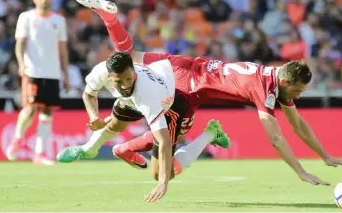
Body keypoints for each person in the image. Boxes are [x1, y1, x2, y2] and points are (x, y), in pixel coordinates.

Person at [69, 0, 342, 186]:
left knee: (128, 57)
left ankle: (110, 19)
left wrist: (324, 155)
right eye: (298, 91)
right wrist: (301, 171)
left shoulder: (275, 79)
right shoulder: (264, 87)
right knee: (162, 171)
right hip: (184, 92)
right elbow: (277, 138)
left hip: (184, 65)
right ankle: (208, 134)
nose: (298, 97)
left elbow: (299, 125)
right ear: (288, 81)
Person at [56, 50, 230, 202]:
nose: (125, 85)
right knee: (115, 124)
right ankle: (89, 150)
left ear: (134, 69)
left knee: (162, 171)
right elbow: (88, 94)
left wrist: (163, 183)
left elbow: (164, 142)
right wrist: (94, 117)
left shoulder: (148, 95)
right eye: (118, 82)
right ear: (109, 77)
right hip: (136, 99)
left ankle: (210, 132)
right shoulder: (101, 71)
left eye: (128, 79)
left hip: (172, 103)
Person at [6, 0, 70, 165]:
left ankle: (40, 153)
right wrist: (21, 63)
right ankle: (17, 140)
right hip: (33, 71)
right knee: (30, 109)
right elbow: (20, 44)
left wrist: (65, 74)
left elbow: (62, 50)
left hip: (53, 73)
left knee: (48, 111)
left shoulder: (59, 20)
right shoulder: (26, 18)